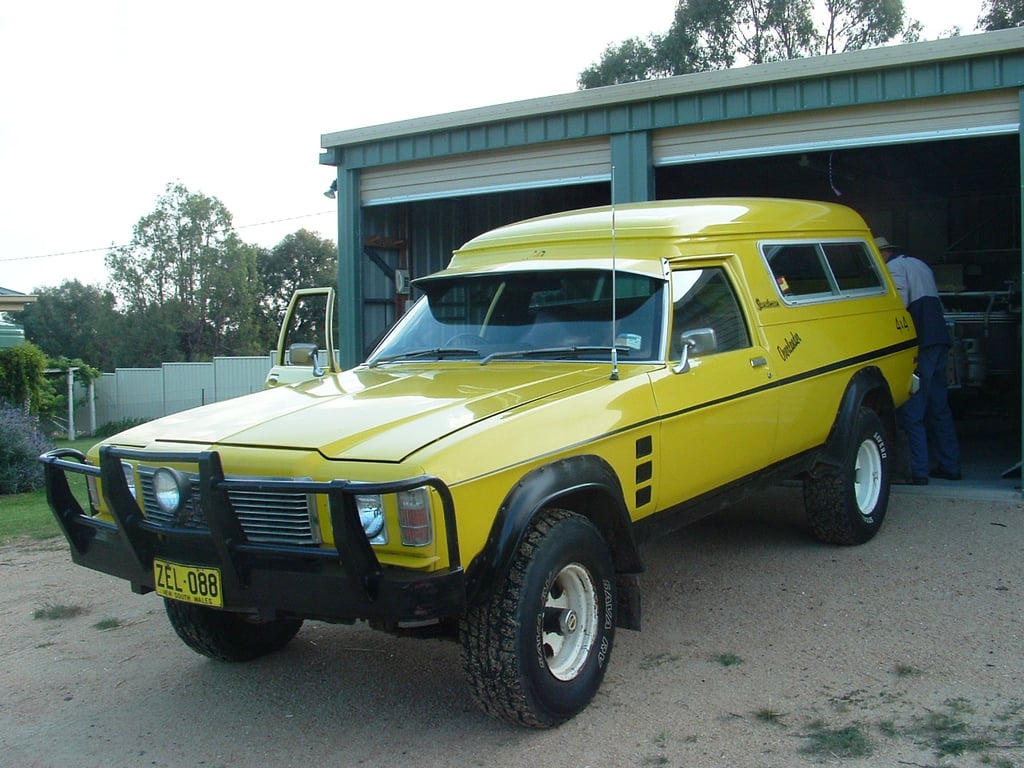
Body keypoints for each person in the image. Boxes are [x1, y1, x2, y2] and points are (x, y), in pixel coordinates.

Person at [876, 236, 961, 485]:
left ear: (882, 254)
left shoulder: (894, 269)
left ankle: (918, 470)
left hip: (921, 341)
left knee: (913, 408)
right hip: (939, 339)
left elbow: (899, 304)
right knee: (940, 408)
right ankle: (950, 465)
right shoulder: (920, 265)